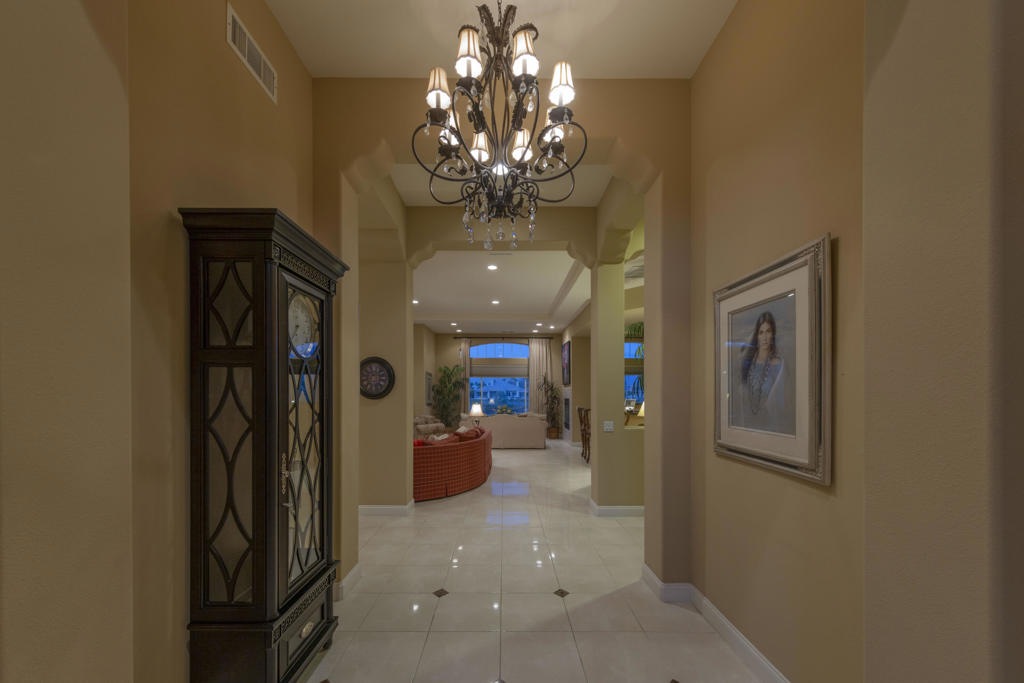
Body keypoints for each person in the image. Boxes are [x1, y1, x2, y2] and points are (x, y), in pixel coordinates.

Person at [735, 311, 790, 432]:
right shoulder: (747, 364)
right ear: (757, 336)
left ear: (773, 334)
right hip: (748, 428)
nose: (764, 337)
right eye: (761, 332)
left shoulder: (779, 365)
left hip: (771, 429)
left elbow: (783, 404)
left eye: (768, 331)